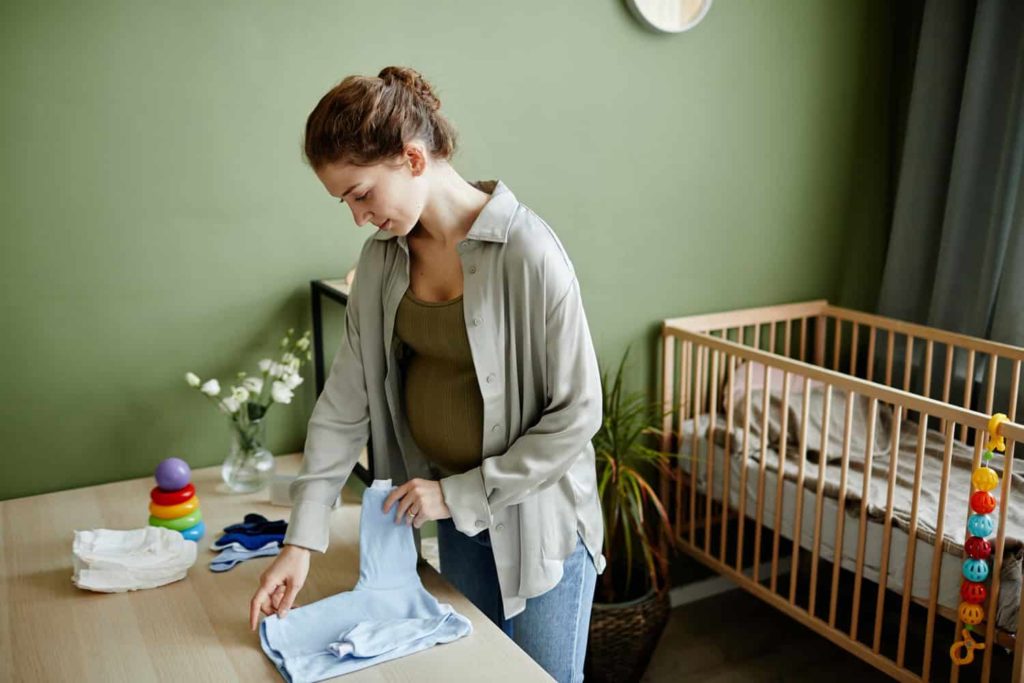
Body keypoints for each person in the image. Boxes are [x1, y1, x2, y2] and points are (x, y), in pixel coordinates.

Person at [249, 65, 606, 683]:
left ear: (413, 159)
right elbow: (344, 402)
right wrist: (298, 543)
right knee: (477, 674)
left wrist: (459, 493)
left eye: (361, 194)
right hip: (454, 520)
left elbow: (578, 412)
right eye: (346, 202)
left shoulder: (529, 253)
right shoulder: (382, 260)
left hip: (537, 520)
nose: (358, 217)